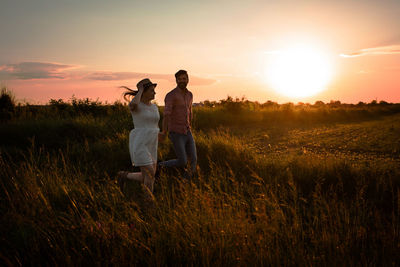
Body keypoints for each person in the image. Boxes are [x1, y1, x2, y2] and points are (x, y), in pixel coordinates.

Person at [118, 78, 161, 199]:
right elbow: (133, 104)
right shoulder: (136, 106)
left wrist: (160, 134)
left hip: (152, 143)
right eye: (152, 90)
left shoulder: (154, 107)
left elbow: (154, 124)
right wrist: (140, 90)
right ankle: (149, 202)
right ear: (144, 91)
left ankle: (124, 176)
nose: (155, 93)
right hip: (140, 143)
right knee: (150, 173)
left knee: (150, 176)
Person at [158, 70, 197, 178]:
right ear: (176, 81)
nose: (182, 81)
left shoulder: (190, 95)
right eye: (179, 79)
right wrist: (164, 132)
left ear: (187, 79)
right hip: (176, 133)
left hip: (187, 131)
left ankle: (186, 183)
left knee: (193, 160)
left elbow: (190, 111)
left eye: (184, 79)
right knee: (183, 161)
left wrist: (191, 127)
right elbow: (166, 115)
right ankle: (160, 166)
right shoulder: (171, 95)